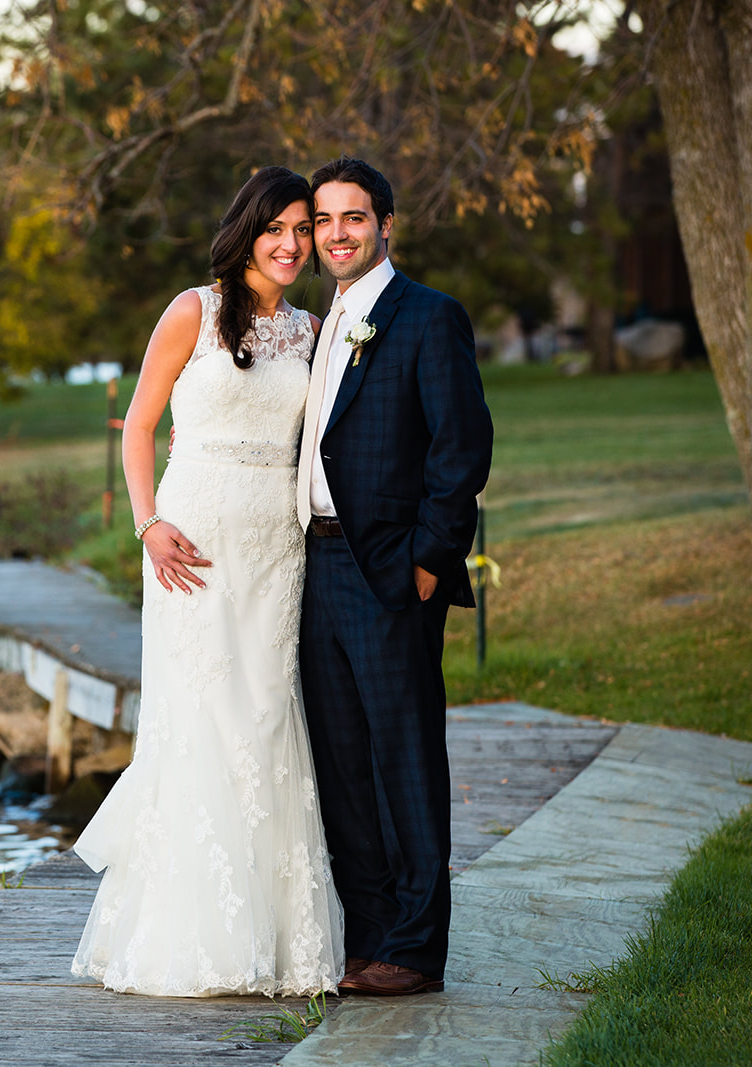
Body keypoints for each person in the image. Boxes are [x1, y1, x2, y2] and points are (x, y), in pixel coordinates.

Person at [70, 166, 345, 998]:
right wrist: (147, 522)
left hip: (275, 544)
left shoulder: (315, 329)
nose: (295, 244)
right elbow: (140, 425)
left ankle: (279, 940)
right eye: (281, 228)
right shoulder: (191, 309)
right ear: (247, 228)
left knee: (265, 715)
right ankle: (190, 935)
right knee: (202, 715)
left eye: (305, 230)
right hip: (191, 540)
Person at [298, 157, 493, 996]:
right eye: (324, 221)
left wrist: (427, 564)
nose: (337, 233)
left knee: (404, 759)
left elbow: (462, 451)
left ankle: (414, 947)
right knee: (342, 762)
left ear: (386, 226)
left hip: (390, 572)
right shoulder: (320, 325)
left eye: (353, 217)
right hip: (313, 565)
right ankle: (368, 936)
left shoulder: (426, 317)